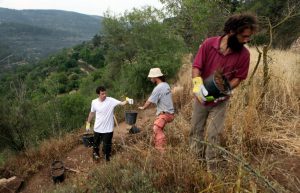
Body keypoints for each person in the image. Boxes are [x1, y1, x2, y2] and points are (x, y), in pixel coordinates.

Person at [190, 13, 258, 170]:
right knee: (195, 130)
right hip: (201, 97)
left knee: (214, 134)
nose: (247, 40)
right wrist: (197, 86)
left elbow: (239, 78)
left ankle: (212, 169)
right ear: (232, 31)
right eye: (244, 36)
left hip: (220, 101)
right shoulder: (209, 44)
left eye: (249, 37)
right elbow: (196, 66)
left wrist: (224, 89)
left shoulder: (244, 54)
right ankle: (195, 165)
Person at [85, 86, 132, 161]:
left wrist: (127, 100)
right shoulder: (94, 102)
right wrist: (88, 123)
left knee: (107, 145)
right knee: (96, 144)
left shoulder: (111, 100)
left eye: (105, 93)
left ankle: (107, 158)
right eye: (102, 94)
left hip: (108, 129)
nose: (104, 95)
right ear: (98, 95)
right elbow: (91, 113)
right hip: (97, 128)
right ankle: (95, 156)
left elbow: (122, 103)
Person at [138, 68, 175, 152]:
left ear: (155, 77)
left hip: (165, 114)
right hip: (170, 113)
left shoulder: (158, 88)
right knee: (158, 129)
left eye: (151, 77)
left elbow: (149, 101)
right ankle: (160, 147)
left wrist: (143, 107)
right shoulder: (166, 85)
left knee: (156, 128)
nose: (150, 79)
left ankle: (161, 151)